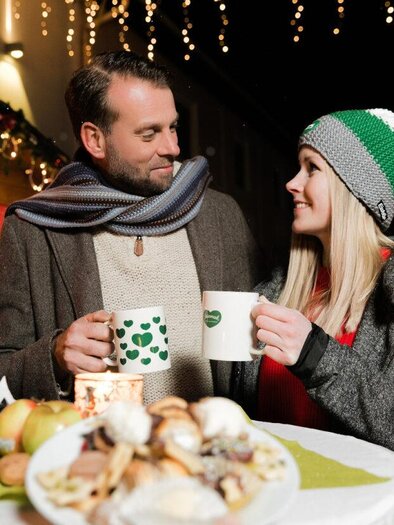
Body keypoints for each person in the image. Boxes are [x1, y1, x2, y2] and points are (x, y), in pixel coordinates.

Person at [0, 50, 263, 405]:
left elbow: (257, 361)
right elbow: (4, 369)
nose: (173, 147)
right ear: (95, 139)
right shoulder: (33, 231)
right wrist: (55, 356)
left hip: (210, 446)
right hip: (103, 454)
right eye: (149, 133)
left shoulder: (220, 216)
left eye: (172, 127)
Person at [230, 109, 394, 450]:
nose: (292, 183)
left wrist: (312, 353)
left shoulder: (387, 295)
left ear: (355, 188)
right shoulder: (278, 288)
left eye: (312, 168)